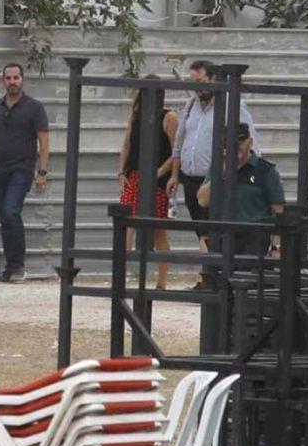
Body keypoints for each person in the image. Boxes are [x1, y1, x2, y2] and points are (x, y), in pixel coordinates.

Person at [166, 60, 260, 253]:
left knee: (213, 231)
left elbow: (252, 144)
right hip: (191, 179)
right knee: (201, 231)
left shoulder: (232, 106)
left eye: (202, 81)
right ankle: (207, 276)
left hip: (218, 179)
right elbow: (179, 144)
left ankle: (214, 275)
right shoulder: (190, 106)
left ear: (213, 79)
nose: (198, 88)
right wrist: (175, 175)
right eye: (195, 83)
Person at [0, 63, 50, 283]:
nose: (12, 82)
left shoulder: (34, 108)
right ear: (2, 81)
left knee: (11, 210)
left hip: (22, 169)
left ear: (23, 80)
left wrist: (42, 171)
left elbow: (43, 141)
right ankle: (10, 267)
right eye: (8, 78)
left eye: (16, 78)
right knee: (5, 217)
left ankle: (18, 266)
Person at [116, 75, 179, 289]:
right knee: (126, 226)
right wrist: (121, 171)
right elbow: (126, 145)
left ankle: (161, 281)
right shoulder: (135, 116)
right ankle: (121, 277)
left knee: (159, 230)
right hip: (134, 175)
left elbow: (176, 151)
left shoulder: (169, 117)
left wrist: (160, 172)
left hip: (158, 179)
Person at [196, 123, 284, 257]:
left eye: (240, 141)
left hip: (255, 239)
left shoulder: (265, 171)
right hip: (223, 237)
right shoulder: (218, 168)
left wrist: (276, 247)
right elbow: (202, 200)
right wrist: (222, 172)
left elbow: (278, 210)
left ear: (250, 142)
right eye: (229, 142)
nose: (235, 146)